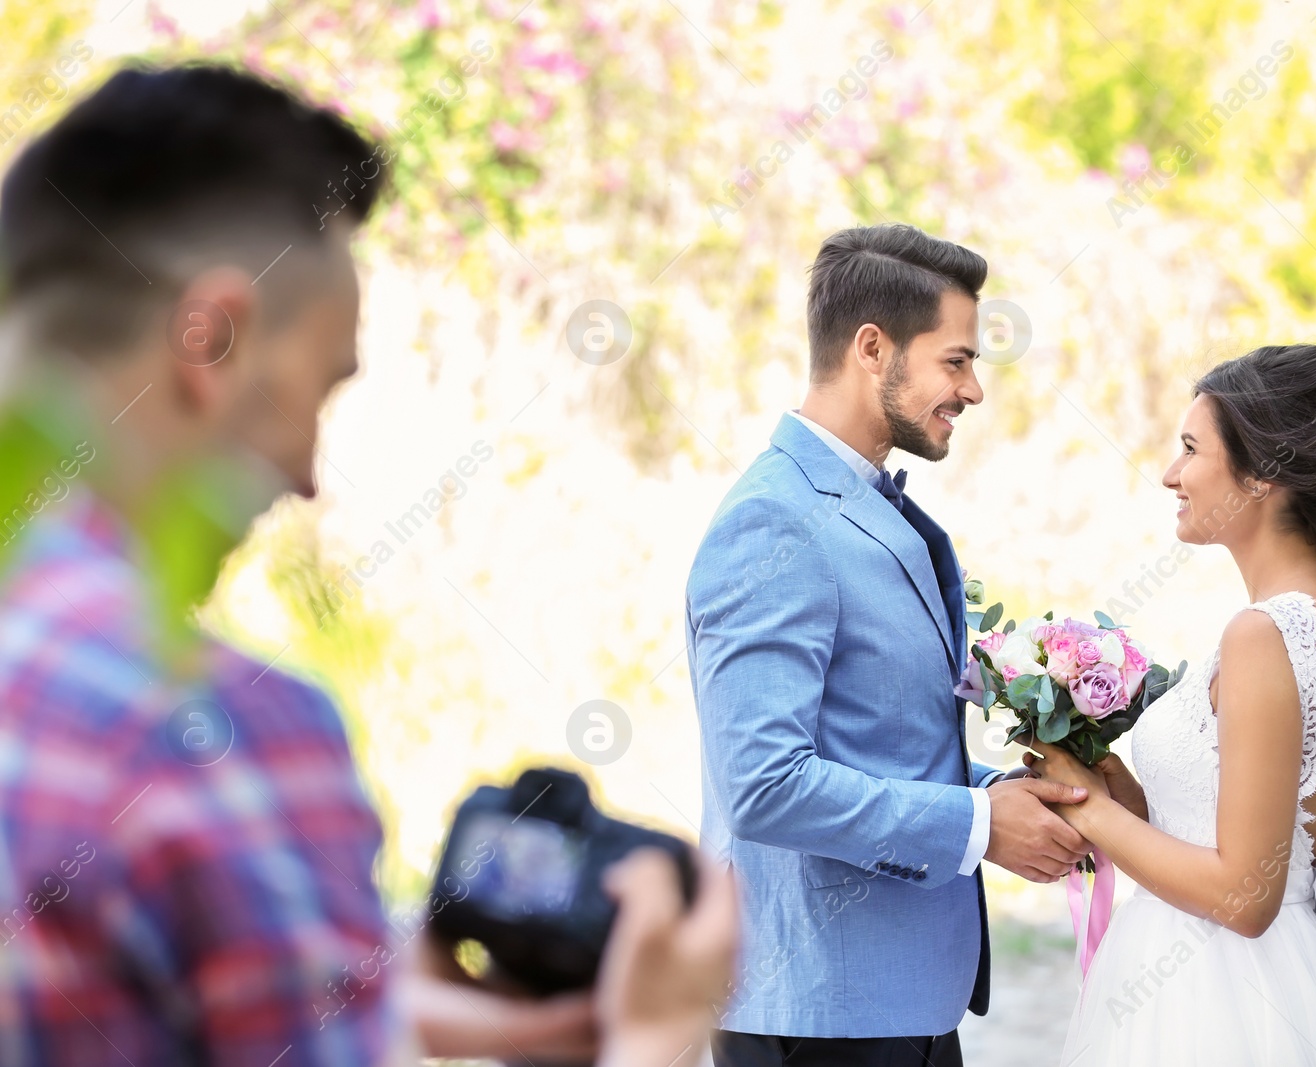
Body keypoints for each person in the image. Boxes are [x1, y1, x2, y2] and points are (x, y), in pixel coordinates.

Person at [0, 62, 735, 1066]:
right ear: (209, 338)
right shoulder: (213, 732)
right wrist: (655, 1036)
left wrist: (396, 1013)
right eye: (320, 386)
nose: (306, 473)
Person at [685, 222, 1090, 1067]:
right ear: (873, 348)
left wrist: (1013, 796)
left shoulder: (862, 502)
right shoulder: (774, 520)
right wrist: (979, 825)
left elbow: (880, 746)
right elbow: (765, 785)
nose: (974, 388)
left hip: (897, 1007)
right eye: (956, 359)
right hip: (816, 1015)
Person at [1024, 343, 1316, 1064]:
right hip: (1263, 973)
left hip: (1221, 998)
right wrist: (1117, 787)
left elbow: (1244, 894)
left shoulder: (1265, 633)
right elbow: (1237, 833)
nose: (1172, 474)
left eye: (1191, 448)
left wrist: (1091, 813)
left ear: (1262, 474)